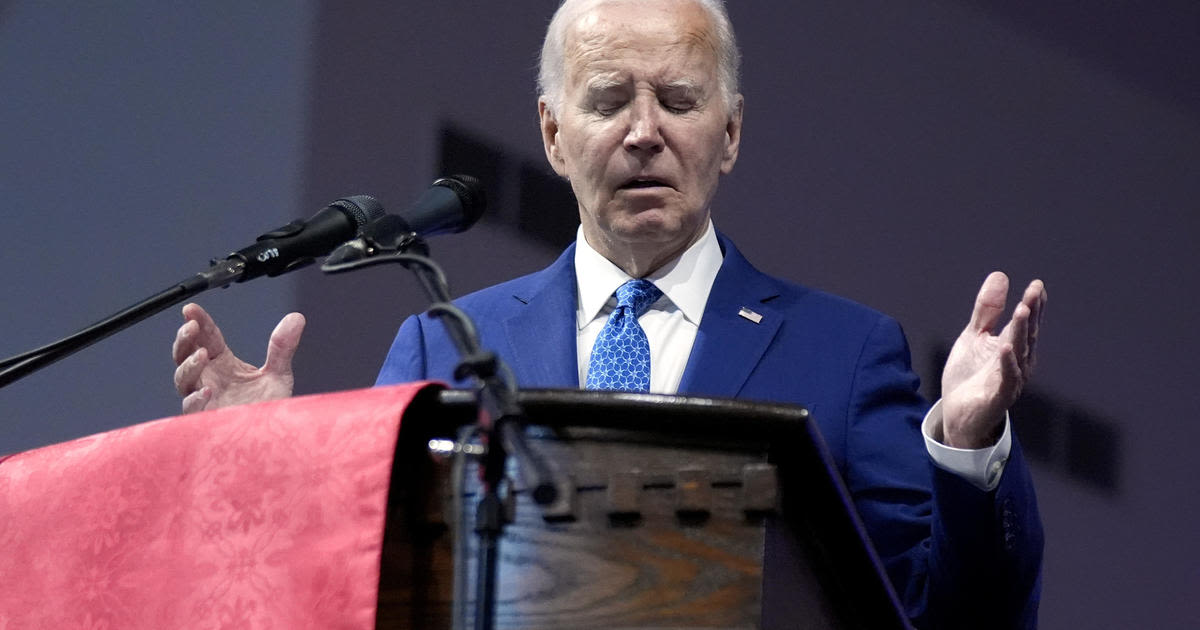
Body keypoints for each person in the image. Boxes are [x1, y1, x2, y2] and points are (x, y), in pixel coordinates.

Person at [173, 0, 1047, 627]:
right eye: (607, 101)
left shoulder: (847, 352)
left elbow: (946, 612)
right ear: (553, 135)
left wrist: (969, 453)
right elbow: (353, 589)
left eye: (677, 99)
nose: (642, 132)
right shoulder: (441, 341)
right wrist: (265, 471)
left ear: (731, 133)